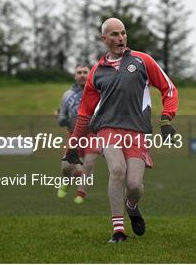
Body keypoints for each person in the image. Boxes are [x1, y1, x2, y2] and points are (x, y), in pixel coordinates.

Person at [64, 17, 179, 244]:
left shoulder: (143, 61)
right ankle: (118, 231)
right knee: (117, 170)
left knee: (134, 186)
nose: (120, 38)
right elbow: (85, 112)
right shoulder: (96, 71)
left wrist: (166, 119)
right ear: (104, 39)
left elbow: (169, 89)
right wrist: (74, 143)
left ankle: (132, 206)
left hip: (137, 131)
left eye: (123, 33)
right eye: (115, 34)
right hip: (108, 128)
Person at [56, 64, 99, 204]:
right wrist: (61, 119)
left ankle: (81, 192)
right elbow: (61, 115)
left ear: (90, 74)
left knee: (89, 163)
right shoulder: (67, 95)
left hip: (92, 134)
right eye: (79, 72)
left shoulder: (98, 93)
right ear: (75, 76)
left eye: (85, 72)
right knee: (67, 167)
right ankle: (67, 180)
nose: (82, 75)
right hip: (74, 134)